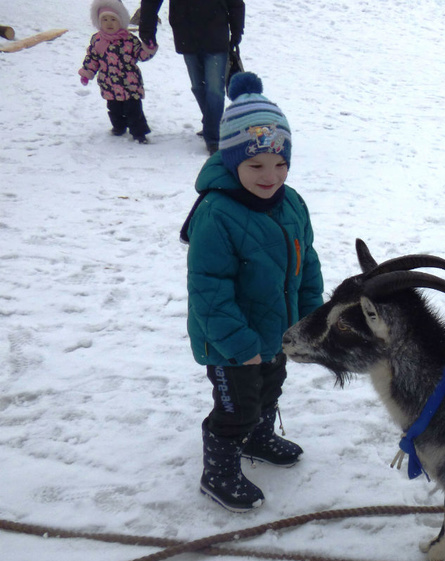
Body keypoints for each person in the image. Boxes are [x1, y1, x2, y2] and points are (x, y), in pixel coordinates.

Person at [183, 72, 324, 512]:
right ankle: (219, 471)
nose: (271, 175)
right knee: (235, 407)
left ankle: (258, 437)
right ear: (231, 161)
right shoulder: (216, 214)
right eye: (256, 165)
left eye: (281, 163)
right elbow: (208, 289)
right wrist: (239, 344)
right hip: (230, 342)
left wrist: (311, 319)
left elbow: (308, 264)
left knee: (270, 388)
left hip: (277, 331)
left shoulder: (292, 203)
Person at [139, 0, 244, 154]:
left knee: (215, 89)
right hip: (186, 34)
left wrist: (236, 30)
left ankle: (213, 137)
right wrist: (147, 31)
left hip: (216, 32)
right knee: (198, 86)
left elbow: (236, 3)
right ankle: (212, 122)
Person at [79, 0, 157, 143]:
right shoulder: (98, 40)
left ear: (120, 21)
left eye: (113, 19)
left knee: (134, 111)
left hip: (130, 83)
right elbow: (92, 58)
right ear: (99, 21)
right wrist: (87, 73)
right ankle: (118, 127)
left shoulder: (129, 40)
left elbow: (141, 55)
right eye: (105, 20)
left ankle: (139, 133)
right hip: (109, 84)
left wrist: (148, 48)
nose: (109, 23)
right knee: (114, 109)